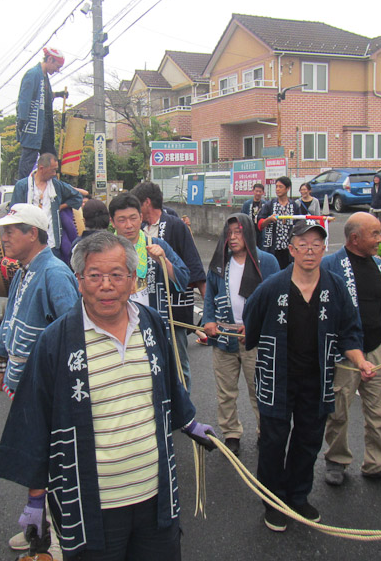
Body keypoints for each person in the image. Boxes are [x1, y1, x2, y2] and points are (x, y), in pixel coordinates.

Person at [0, 231, 215, 559]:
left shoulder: (151, 324)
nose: (106, 285)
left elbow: (168, 383)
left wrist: (190, 422)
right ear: (79, 281)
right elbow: (34, 421)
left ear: (132, 280)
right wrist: (36, 499)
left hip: (155, 496)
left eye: (117, 275)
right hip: (92, 506)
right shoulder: (55, 342)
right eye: (94, 275)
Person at [243, 219, 376, 532]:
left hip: (317, 378)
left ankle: (298, 496)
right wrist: (255, 340)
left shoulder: (335, 287)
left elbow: (350, 330)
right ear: (291, 250)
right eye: (302, 245)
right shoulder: (273, 286)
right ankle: (273, 501)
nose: (310, 250)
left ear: (324, 249)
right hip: (277, 376)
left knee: (308, 440)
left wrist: (360, 360)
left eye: (316, 244)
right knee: (273, 442)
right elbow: (252, 317)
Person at [0, 203, 80, 554]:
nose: (4, 236)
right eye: (3, 231)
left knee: (52, 462)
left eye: (11, 230)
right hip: (25, 386)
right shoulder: (23, 272)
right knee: (34, 457)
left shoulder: (55, 273)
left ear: (33, 234)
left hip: (47, 389)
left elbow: (73, 333)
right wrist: (0, 364)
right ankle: (38, 527)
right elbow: (9, 322)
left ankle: (55, 537)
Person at [321, 212, 381, 485]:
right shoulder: (329, 266)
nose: (380, 239)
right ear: (355, 238)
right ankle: (336, 460)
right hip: (343, 351)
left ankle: (378, 462)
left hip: (377, 347)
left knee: (380, 409)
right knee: (338, 410)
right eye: (375, 234)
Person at [202, 213, 279, 456]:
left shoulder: (267, 261)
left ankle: (264, 431)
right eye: (229, 233)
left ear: (249, 234)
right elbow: (209, 295)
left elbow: (276, 298)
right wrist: (209, 320)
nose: (233, 237)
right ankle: (231, 433)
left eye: (238, 232)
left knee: (259, 389)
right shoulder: (219, 262)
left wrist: (255, 324)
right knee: (226, 391)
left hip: (255, 339)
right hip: (224, 334)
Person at [131, 181, 206, 391]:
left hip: (173, 306)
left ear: (146, 202)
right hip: (146, 305)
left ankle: (184, 406)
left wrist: (208, 309)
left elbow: (193, 266)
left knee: (178, 363)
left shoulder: (175, 225)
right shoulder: (140, 229)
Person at [108, 193, 189, 339]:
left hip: (152, 325)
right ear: (112, 222)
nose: (129, 225)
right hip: (116, 325)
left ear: (141, 217)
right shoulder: (105, 251)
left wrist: (163, 261)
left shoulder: (157, 245)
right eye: (122, 220)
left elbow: (184, 278)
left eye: (133, 218)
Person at [12, 152, 83, 260]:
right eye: (52, 170)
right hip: (29, 243)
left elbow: (77, 197)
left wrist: (61, 207)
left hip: (52, 242)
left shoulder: (56, 185)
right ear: (41, 168)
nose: (55, 173)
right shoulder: (23, 186)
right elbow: (14, 214)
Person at [16, 47, 67, 180]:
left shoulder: (44, 77)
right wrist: (22, 120)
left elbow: (44, 97)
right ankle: (22, 188)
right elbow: (24, 99)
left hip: (45, 128)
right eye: (57, 66)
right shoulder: (33, 74)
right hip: (33, 126)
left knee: (51, 160)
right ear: (49, 59)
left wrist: (58, 94)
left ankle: (53, 187)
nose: (57, 70)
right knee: (28, 161)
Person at [257, 176, 296, 269]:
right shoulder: (270, 205)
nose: (277, 189)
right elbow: (260, 224)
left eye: (280, 187)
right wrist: (269, 219)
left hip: (289, 248)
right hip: (273, 247)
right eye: (276, 186)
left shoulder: (294, 205)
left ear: (288, 188)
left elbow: (299, 225)